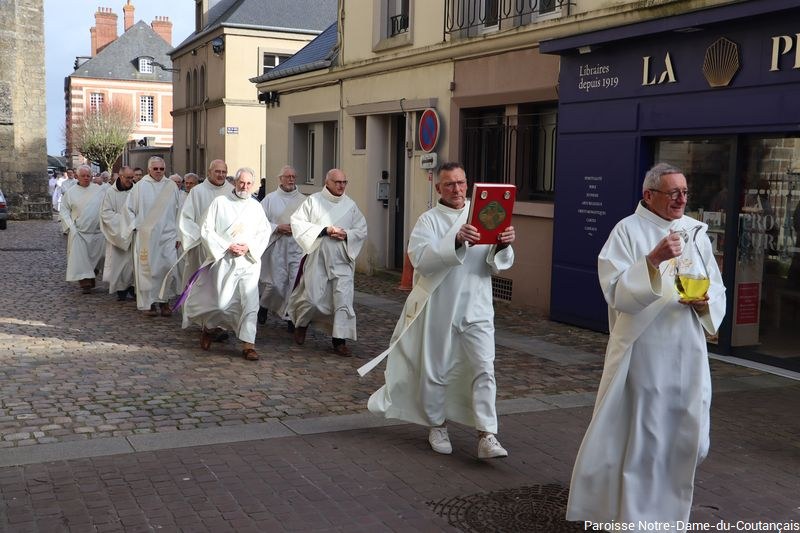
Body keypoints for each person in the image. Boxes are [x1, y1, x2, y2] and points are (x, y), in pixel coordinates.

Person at [565, 162, 726, 529]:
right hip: (646, 351)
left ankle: (669, 518)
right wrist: (653, 261)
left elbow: (716, 285)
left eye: (685, 192)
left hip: (688, 347)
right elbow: (615, 291)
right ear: (649, 195)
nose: (681, 199)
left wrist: (706, 303)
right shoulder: (627, 230)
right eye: (673, 193)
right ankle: (635, 521)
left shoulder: (695, 232)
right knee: (646, 438)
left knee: (690, 438)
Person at [362, 161, 515, 459]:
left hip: (477, 305)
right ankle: (437, 424)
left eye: (461, 183)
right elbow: (421, 259)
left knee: (484, 367)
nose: (457, 189)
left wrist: (503, 244)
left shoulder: (484, 214)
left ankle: (487, 434)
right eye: (449, 184)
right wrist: (455, 240)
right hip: (440, 306)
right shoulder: (429, 221)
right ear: (438, 188)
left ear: (468, 183)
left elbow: (497, 263)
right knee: (437, 370)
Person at [181, 167, 270, 360]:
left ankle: (249, 344)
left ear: (253, 185)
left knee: (250, 302)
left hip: (248, 262)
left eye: (248, 183)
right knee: (221, 304)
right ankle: (209, 327)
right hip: (224, 260)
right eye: (241, 182)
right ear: (235, 182)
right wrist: (226, 245)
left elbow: (264, 233)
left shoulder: (256, 207)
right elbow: (207, 230)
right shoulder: (220, 203)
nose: (244, 186)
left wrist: (249, 247)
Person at [287, 168, 367, 356]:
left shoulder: (350, 205)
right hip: (318, 258)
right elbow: (297, 223)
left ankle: (339, 340)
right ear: (327, 182)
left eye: (344, 182)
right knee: (313, 299)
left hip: (342, 259)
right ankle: (302, 323)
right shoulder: (313, 201)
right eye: (337, 182)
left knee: (343, 300)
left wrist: (347, 234)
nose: (341, 186)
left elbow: (361, 229)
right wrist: (324, 230)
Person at [123, 156, 182, 317]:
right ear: (149, 169)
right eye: (155, 169)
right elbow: (128, 209)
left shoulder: (171, 186)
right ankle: (149, 303)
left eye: (161, 169)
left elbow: (179, 211)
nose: (158, 172)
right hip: (146, 237)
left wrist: (178, 235)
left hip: (168, 236)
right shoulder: (140, 187)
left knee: (167, 268)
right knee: (148, 271)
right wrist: (135, 225)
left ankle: (164, 301)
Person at [258, 165, 306, 330]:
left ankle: (291, 317)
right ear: (280, 179)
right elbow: (259, 221)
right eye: (288, 177)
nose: (291, 179)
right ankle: (264, 305)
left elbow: (310, 223)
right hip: (276, 246)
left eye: (293, 177)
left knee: (295, 283)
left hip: (296, 247)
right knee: (276, 284)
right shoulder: (270, 199)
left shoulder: (304, 201)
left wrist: (298, 229)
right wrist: (277, 227)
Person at [59, 165, 106, 294]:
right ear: (77, 177)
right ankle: (85, 283)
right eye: (83, 176)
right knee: (81, 259)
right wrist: (70, 227)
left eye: (88, 176)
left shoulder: (99, 190)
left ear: (91, 177)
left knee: (100, 257)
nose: (86, 178)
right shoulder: (71, 192)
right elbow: (64, 211)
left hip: (97, 232)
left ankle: (92, 274)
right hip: (79, 232)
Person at [99, 166, 135, 301]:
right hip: (118, 234)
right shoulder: (110, 192)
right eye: (128, 178)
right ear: (120, 176)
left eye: (132, 178)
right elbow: (106, 213)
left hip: (134, 234)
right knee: (119, 264)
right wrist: (125, 220)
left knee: (133, 263)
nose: (130, 180)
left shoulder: (136, 190)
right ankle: (121, 289)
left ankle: (133, 287)